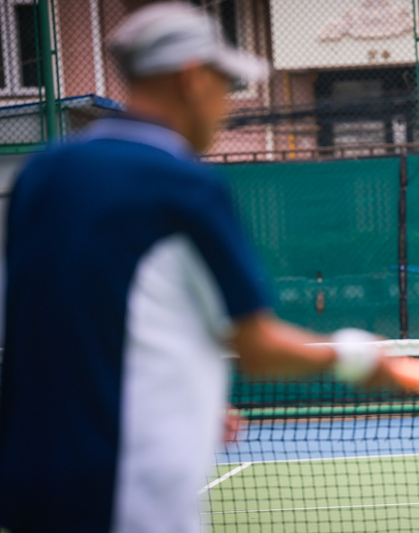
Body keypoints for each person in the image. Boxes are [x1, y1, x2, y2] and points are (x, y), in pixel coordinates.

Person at [0, 4, 398, 532]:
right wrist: (357, 355)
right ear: (190, 78)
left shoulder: (42, 172)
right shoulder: (184, 183)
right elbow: (258, 349)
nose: (227, 105)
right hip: (126, 495)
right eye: (224, 83)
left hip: (28, 484)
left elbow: (55, 323)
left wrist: (186, 396)